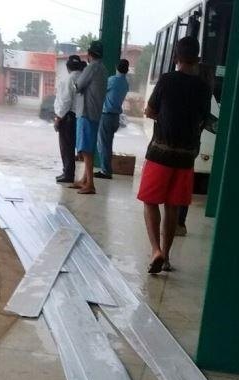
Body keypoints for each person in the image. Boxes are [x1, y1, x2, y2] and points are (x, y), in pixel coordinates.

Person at [138, 36, 211, 274]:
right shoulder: (203, 88)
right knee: (172, 207)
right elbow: (203, 120)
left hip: (160, 152)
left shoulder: (166, 80)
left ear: (175, 58)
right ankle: (166, 257)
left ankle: (155, 250)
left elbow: (150, 110)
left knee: (151, 201)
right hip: (185, 157)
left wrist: (163, 118)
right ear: (197, 60)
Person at [70, 41, 107, 195]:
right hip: (96, 113)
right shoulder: (104, 69)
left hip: (86, 112)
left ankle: (90, 184)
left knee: (86, 150)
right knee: (89, 147)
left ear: (89, 55)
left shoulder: (91, 67)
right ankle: (84, 180)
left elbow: (78, 86)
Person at [95, 59, 130, 179]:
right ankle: (106, 169)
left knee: (103, 145)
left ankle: (106, 171)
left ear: (116, 67)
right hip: (115, 117)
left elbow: (100, 91)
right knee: (107, 144)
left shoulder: (112, 80)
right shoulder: (125, 83)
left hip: (106, 116)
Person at [54, 55, 83, 183]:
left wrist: (58, 118)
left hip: (68, 117)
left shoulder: (68, 79)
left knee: (66, 147)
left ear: (67, 67)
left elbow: (65, 101)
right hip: (80, 117)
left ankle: (68, 174)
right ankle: (69, 172)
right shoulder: (83, 78)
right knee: (74, 146)